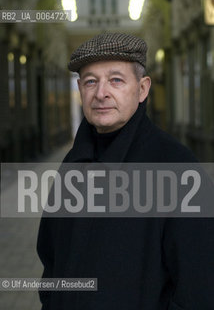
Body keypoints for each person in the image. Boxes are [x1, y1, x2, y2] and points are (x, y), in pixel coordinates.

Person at [37, 33, 214, 309]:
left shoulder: (177, 168)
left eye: (116, 80)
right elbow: (51, 258)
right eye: (90, 81)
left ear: (143, 89)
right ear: (80, 89)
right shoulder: (72, 164)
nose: (101, 93)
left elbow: (199, 285)